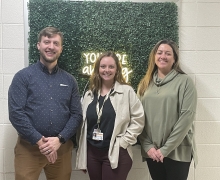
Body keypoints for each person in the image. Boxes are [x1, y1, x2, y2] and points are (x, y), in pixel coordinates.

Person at [8, 27, 82, 180]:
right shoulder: (23, 77)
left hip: (60, 148)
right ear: (38, 45)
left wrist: (60, 139)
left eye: (56, 43)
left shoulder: (70, 81)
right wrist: (40, 141)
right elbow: (16, 113)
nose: (51, 46)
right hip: (29, 148)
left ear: (61, 48)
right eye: (47, 42)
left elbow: (76, 115)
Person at [75, 51, 145, 180]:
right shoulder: (89, 95)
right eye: (103, 66)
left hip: (116, 151)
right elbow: (82, 125)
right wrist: (83, 155)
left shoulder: (126, 91)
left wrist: (123, 142)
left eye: (111, 67)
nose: (107, 70)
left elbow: (138, 119)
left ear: (117, 69)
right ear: (97, 69)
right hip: (92, 153)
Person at [137, 39, 198, 180]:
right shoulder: (145, 83)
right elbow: (137, 117)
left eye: (168, 53)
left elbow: (186, 118)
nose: (163, 56)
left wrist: (165, 149)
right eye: (159, 53)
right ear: (154, 56)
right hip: (152, 152)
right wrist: (147, 146)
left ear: (174, 58)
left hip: (177, 151)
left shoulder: (185, 82)